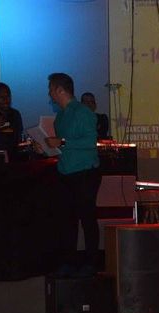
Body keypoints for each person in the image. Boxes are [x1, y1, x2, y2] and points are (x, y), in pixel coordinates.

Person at [42, 73, 100, 278]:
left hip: (85, 172)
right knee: (67, 220)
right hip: (65, 172)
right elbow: (62, 147)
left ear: (60, 90)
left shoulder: (83, 112)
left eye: (51, 89)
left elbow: (90, 142)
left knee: (87, 219)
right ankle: (69, 262)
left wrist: (62, 142)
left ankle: (92, 262)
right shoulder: (60, 117)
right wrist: (46, 147)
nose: (49, 94)